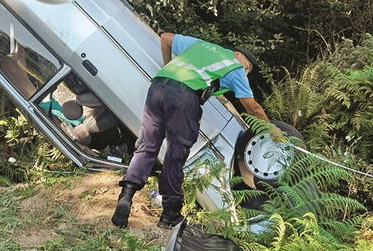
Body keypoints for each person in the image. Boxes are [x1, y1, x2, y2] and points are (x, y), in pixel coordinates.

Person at [111, 32, 276, 229]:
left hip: (158, 87)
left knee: (147, 145)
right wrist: (273, 130)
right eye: (247, 67)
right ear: (238, 55)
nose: (246, 73)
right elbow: (253, 107)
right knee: (175, 154)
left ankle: (126, 195)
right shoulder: (234, 67)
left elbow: (165, 38)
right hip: (184, 97)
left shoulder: (202, 46)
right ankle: (170, 214)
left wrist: (166, 66)